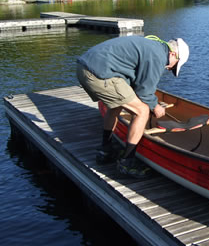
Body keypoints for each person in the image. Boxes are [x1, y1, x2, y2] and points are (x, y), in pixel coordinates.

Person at [76, 35, 189, 178]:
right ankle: (127, 163)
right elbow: (144, 92)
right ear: (172, 53)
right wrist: (156, 107)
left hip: (84, 67)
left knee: (116, 105)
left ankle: (105, 150)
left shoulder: (152, 46)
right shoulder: (158, 56)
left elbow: (136, 84)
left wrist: (151, 102)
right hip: (99, 74)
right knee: (142, 111)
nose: (169, 68)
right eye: (174, 65)